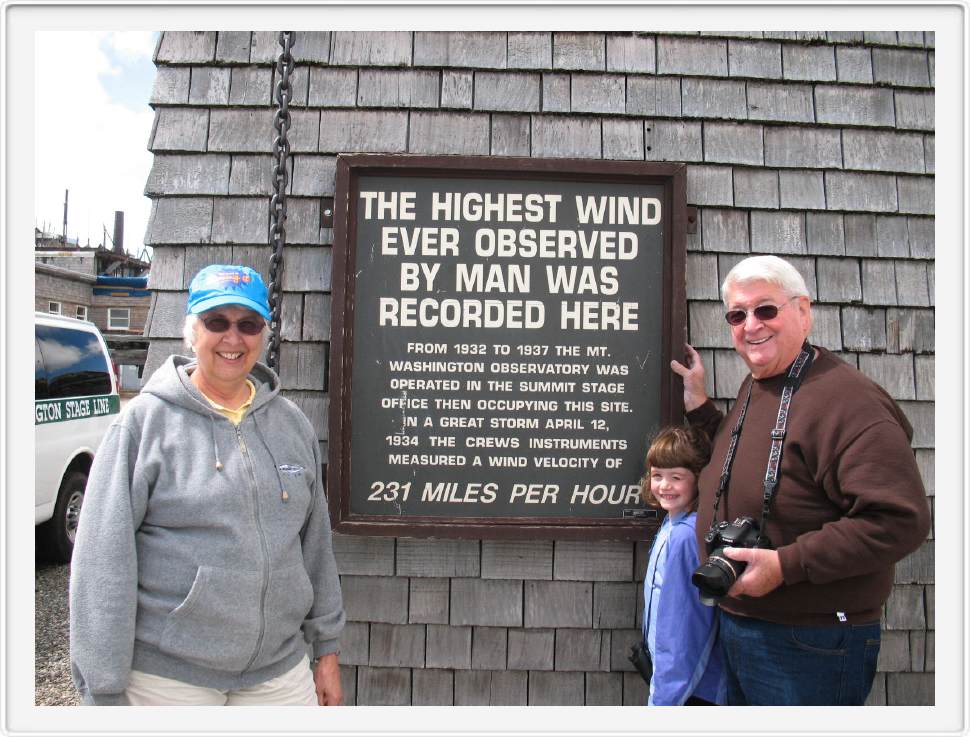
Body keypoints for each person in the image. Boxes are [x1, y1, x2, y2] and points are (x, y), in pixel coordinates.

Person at [70, 264, 345, 706]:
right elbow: (103, 561)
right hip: (168, 677)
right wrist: (102, 685)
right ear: (191, 330)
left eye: (248, 324)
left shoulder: (292, 425)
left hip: (280, 671)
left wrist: (327, 650)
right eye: (217, 322)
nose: (233, 339)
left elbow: (315, 548)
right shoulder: (143, 425)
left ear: (264, 333)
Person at [670, 254, 930, 706]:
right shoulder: (764, 383)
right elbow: (744, 462)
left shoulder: (850, 403)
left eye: (765, 309)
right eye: (737, 315)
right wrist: (701, 408)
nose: (751, 325)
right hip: (742, 624)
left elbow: (899, 519)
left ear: (803, 311)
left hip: (809, 642)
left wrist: (786, 565)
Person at [640, 426, 725, 706]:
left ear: (698, 480)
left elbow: (684, 629)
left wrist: (664, 701)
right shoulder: (671, 523)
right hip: (677, 682)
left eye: (676, 477)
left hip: (692, 689)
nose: (664, 486)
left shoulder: (686, 536)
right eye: (657, 476)